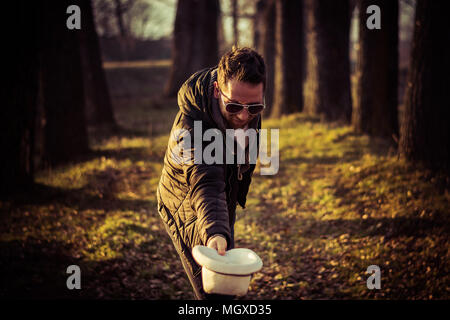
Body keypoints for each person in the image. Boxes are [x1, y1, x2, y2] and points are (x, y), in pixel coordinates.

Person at [156, 47, 265, 300]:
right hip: (187, 202)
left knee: (226, 281)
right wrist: (215, 231)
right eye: (235, 105)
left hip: (220, 196)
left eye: (255, 108)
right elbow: (206, 183)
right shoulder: (192, 127)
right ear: (217, 90)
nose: (243, 116)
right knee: (216, 293)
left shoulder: (245, 103)